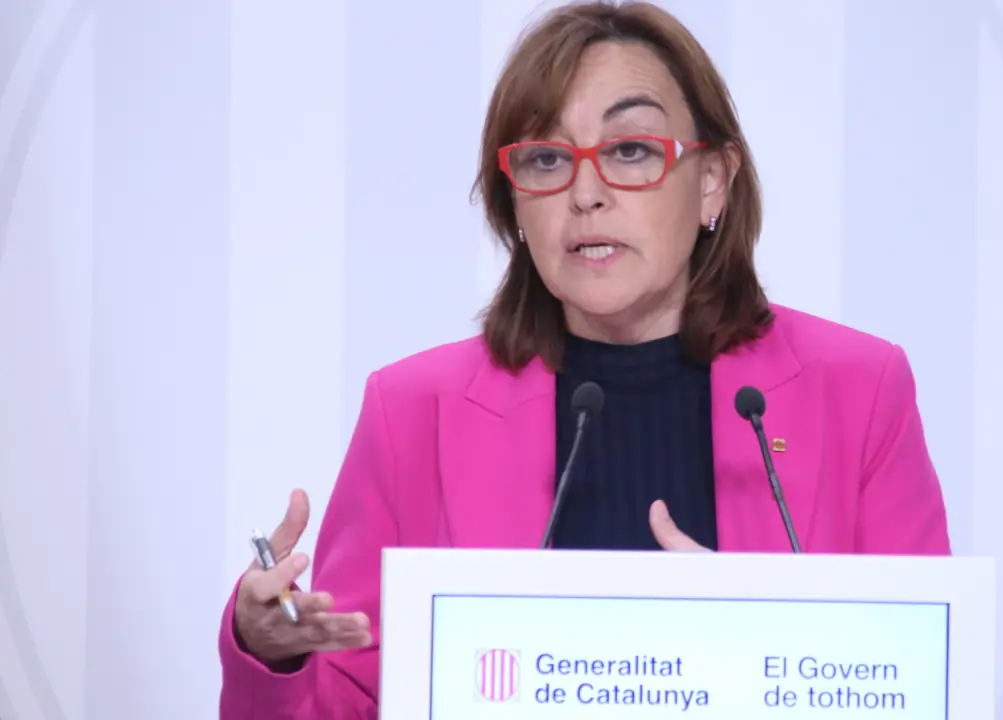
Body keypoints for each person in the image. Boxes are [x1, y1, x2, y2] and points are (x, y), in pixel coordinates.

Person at [217, 1, 951, 717]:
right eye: (546, 159)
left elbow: (923, 684)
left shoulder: (859, 392)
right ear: (515, 204)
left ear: (711, 183)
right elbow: (345, 699)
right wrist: (271, 654)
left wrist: (753, 642)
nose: (587, 193)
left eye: (630, 150)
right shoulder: (413, 412)